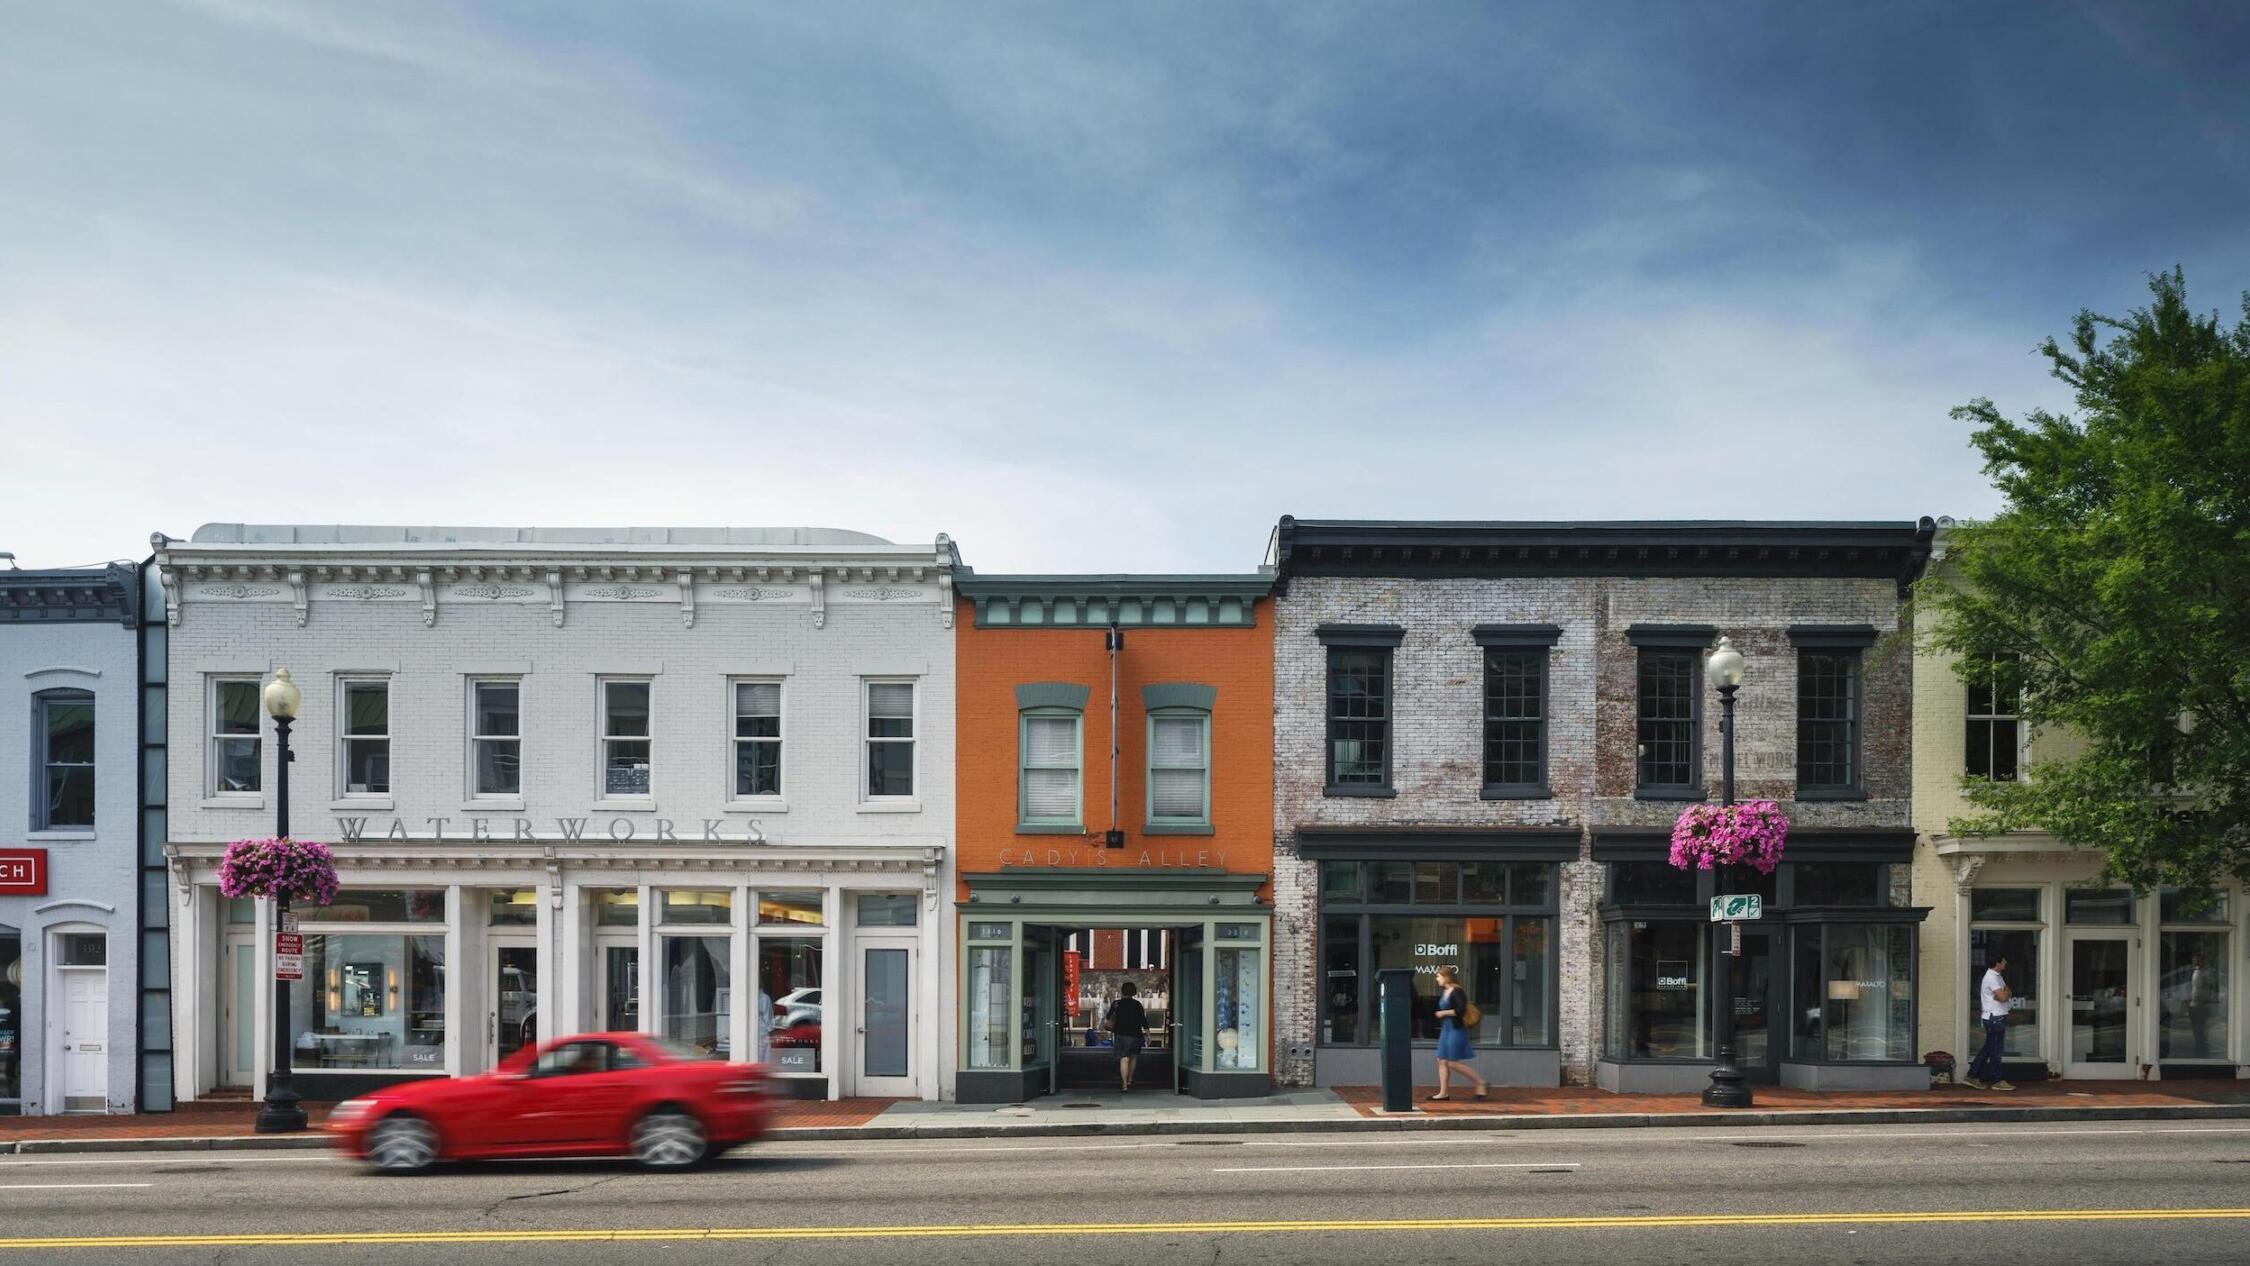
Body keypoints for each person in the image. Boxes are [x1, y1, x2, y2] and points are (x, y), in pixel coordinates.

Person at [1429, 965, 1487, 1102]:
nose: (1437, 979)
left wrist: (1444, 1012)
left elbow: (1460, 1010)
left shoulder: (1457, 991)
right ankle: (1443, 1093)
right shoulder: (1446, 991)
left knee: (1452, 1062)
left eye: (1438, 976)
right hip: (1446, 1029)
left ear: (1446, 977)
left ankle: (1480, 1082)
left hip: (1456, 1029)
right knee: (1442, 1060)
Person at [1966, 955, 2016, 1091]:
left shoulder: (1997, 976)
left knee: (1989, 1048)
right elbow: (2003, 996)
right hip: (1995, 1017)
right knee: (1996, 1051)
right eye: (2004, 960)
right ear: (1997, 963)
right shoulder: (1992, 978)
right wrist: (2004, 995)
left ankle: (1972, 1075)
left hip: (1996, 1016)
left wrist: (2005, 995)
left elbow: (2008, 992)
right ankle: (1997, 1080)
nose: (2006, 962)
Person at [1106, 981, 1149, 1092]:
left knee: (1124, 1059)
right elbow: (1143, 1020)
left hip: (1121, 1035)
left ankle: (1124, 1084)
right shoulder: (1137, 1004)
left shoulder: (1117, 1004)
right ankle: (1130, 1080)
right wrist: (1148, 1033)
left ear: (1122, 991)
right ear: (1134, 992)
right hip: (1136, 1035)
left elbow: (1108, 1017)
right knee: (1133, 1057)